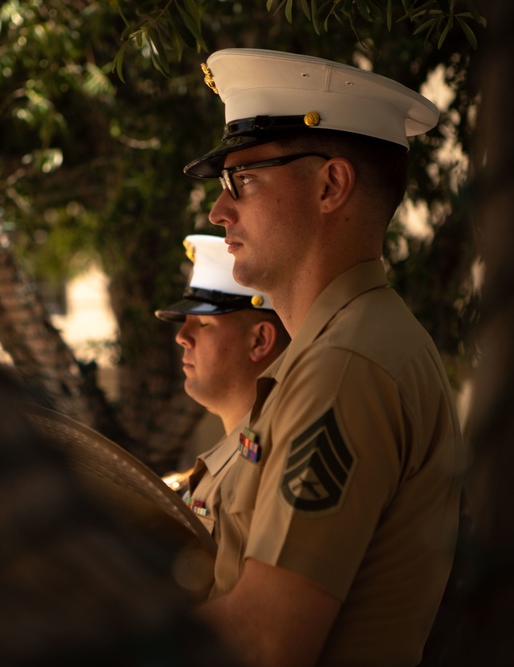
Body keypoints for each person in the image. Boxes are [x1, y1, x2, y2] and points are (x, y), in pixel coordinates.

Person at [181, 49, 466, 667]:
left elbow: (265, 638)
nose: (218, 210)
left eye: (243, 181)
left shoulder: (345, 363)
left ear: (331, 185)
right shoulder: (339, 346)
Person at [155, 234, 290, 531]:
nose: (182, 337)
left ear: (259, 340)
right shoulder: (238, 450)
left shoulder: (274, 458)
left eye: (203, 324)